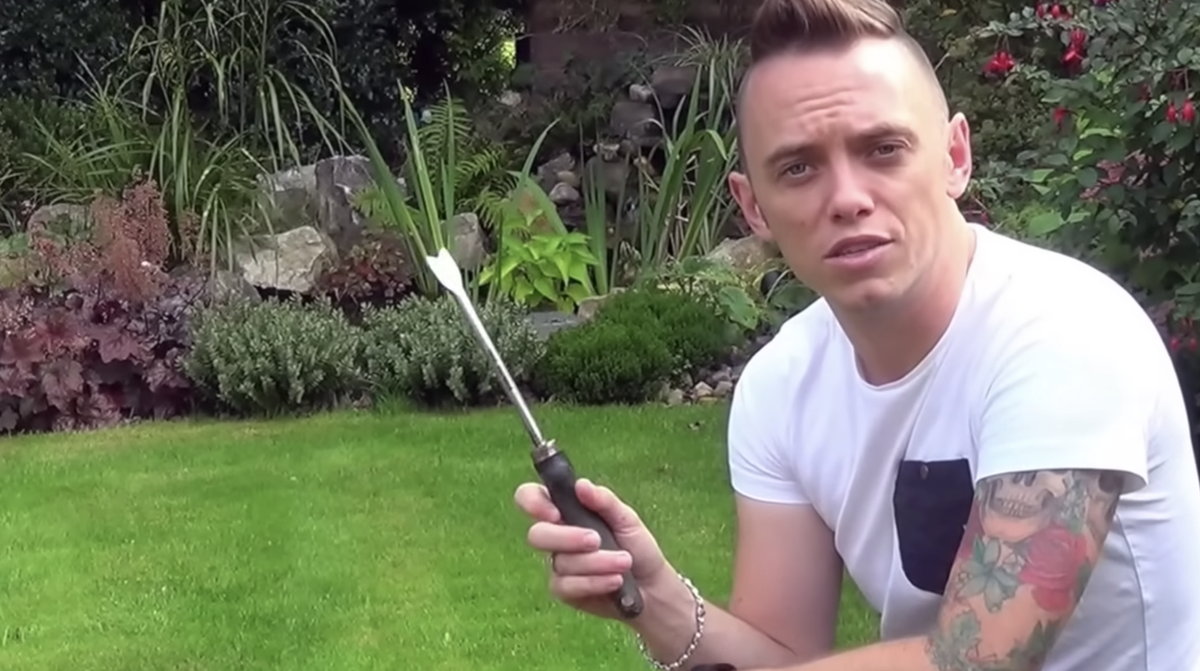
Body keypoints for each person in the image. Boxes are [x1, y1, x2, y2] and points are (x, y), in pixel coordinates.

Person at [513, 0, 1200, 668]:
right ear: (753, 206)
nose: (847, 197)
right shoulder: (783, 387)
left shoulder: (1064, 333)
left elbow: (981, 656)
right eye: (798, 167)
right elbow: (783, 654)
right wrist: (656, 598)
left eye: (883, 149)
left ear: (955, 156)